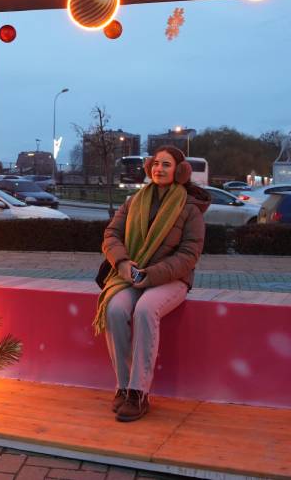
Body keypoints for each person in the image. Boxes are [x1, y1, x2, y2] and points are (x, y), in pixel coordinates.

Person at [94, 145, 208, 422]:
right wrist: (122, 264)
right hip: (130, 275)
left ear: (179, 171)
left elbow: (189, 255)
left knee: (145, 310)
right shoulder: (134, 201)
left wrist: (152, 274)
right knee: (115, 310)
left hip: (171, 279)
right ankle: (122, 386)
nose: (159, 168)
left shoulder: (190, 209)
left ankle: (139, 393)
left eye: (166, 164)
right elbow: (112, 234)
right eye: (156, 163)